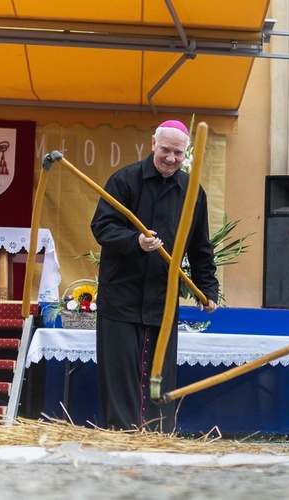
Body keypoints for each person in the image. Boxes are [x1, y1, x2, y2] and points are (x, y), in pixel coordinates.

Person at [91, 119, 219, 433]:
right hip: (122, 296)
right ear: (152, 144)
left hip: (162, 299)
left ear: (185, 153)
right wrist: (135, 241)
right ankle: (123, 434)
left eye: (178, 152)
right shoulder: (124, 180)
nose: (171, 158)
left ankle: (157, 434)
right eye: (165, 150)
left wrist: (208, 288)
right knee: (121, 374)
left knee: (159, 372)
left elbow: (200, 246)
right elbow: (103, 227)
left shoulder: (192, 191)